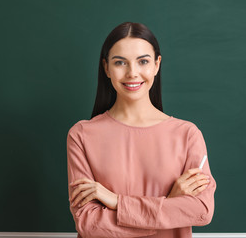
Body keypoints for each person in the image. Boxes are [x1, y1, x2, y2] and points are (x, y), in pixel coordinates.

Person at [67, 21, 216, 238]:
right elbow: (89, 224)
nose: (132, 73)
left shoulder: (187, 135)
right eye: (120, 63)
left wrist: (117, 202)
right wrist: (170, 204)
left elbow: (202, 211)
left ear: (157, 65)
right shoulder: (81, 135)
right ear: (106, 67)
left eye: (143, 61)